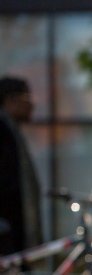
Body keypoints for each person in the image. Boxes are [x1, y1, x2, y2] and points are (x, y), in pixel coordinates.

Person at [0, 76, 41, 256]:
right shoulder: (2, 130)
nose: (32, 104)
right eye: (27, 97)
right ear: (11, 100)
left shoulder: (10, 129)